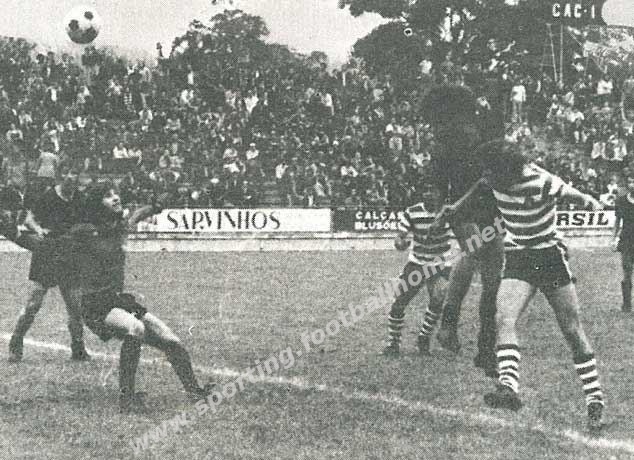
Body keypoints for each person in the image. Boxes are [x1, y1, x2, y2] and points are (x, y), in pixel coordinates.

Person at [466, 140, 605, 430]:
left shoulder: (542, 182)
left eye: (491, 171)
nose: (487, 176)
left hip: (549, 256)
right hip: (519, 255)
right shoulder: (493, 179)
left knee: (572, 330)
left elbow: (573, 194)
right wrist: (453, 208)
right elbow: (476, 186)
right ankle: (508, 387)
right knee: (504, 317)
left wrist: (589, 201)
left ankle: (594, 397)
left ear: (506, 171)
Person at [68, 183, 213, 412]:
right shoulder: (85, 232)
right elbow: (61, 243)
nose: (116, 198)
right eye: (107, 196)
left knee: (170, 339)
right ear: (97, 204)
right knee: (135, 328)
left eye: (116, 193)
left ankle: (195, 391)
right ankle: (127, 399)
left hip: (116, 300)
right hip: (95, 305)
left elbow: (137, 214)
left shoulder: (118, 226)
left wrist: (157, 205)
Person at [421, 85, 505, 377]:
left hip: (486, 207)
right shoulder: (445, 143)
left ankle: (484, 345)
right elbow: (437, 184)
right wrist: (440, 213)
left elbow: (489, 176)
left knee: (493, 277)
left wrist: (443, 210)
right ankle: (451, 324)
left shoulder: (483, 129)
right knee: (476, 251)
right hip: (466, 211)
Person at [8, 167, 89, 362]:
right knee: (33, 304)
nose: (71, 177)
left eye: (75, 173)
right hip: (48, 253)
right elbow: (29, 219)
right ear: (61, 176)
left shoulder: (81, 199)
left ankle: (78, 347)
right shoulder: (48, 197)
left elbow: (87, 224)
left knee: (75, 307)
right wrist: (38, 229)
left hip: (70, 255)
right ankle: (16, 341)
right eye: (68, 173)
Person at [382, 188, 456, 356]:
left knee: (437, 300)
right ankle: (393, 343)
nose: (428, 194)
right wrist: (400, 243)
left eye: (433, 191)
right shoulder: (412, 212)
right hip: (417, 263)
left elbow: (463, 232)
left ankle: (424, 338)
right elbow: (400, 237)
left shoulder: (449, 212)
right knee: (400, 302)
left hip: (440, 264)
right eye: (426, 191)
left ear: (440, 193)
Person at [612, 176, 634, 312]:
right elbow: (617, 221)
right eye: (630, 181)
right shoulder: (621, 201)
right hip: (626, 240)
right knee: (627, 271)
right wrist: (614, 238)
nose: (633, 184)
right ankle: (627, 304)